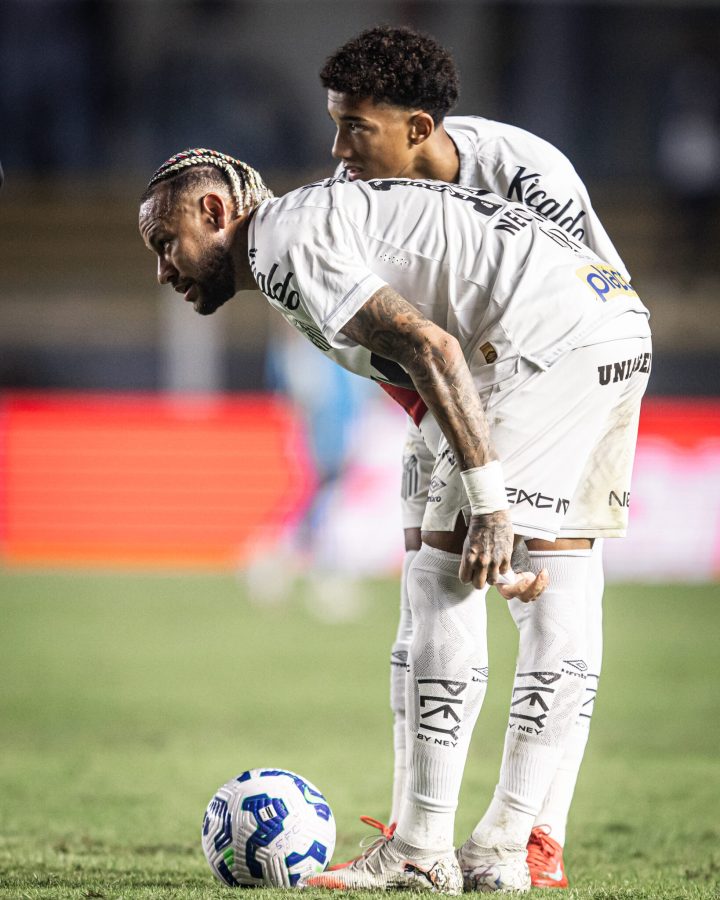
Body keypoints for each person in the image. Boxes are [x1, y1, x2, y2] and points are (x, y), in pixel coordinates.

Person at [139, 147, 651, 892]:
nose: (163, 270)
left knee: (439, 578)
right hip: (608, 327)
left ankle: (421, 848)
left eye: (166, 243)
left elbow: (430, 347)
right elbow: (418, 377)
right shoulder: (306, 236)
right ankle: (508, 848)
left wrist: (489, 503)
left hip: (541, 345)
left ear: (214, 212)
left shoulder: (284, 242)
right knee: (550, 580)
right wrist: (471, 489)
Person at [317, 25, 631, 889]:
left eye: (356, 128)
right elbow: (388, 352)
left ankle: (528, 833)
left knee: (557, 590)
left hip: (573, 369)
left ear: (419, 128)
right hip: (459, 392)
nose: (338, 152)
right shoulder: (352, 205)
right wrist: (460, 453)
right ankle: (419, 832)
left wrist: (504, 491)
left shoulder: (529, 175)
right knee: (429, 578)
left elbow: (576, 312)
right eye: (335, 125)